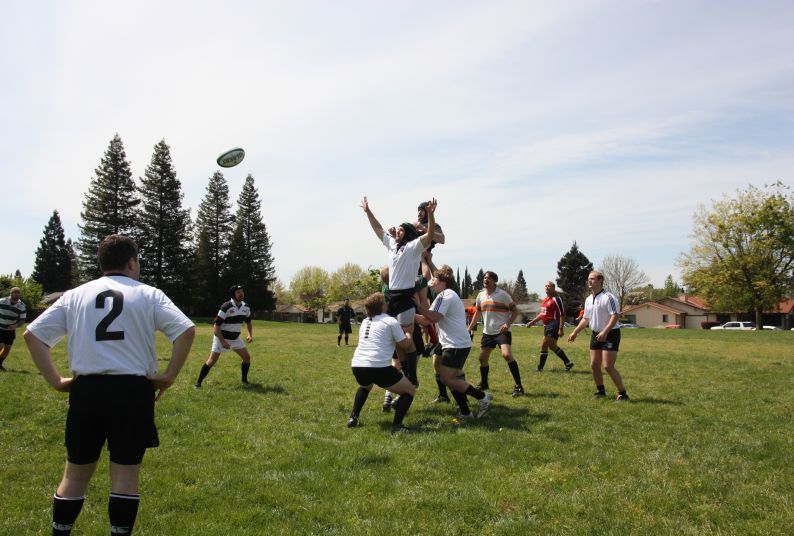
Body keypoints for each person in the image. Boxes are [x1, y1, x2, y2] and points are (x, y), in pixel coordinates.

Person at [23, 234, 195, 536]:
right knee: (125, 478)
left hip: (87, 390)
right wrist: (168, 376)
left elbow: (33, 335)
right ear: (132, 262)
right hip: (132, 392)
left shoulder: (75, 295)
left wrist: (56, 381)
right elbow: (185, 330)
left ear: (102, 263)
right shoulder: (150, 294)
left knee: (75, 475)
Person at [361, 196, 436, 387]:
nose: (397, 231)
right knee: (397, 341)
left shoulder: (413, 247)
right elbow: (378, 229)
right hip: (391, 298)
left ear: (408, 234)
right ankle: (406, 370)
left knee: (406, 337)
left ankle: (411, 374)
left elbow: (429, 236)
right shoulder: (392, 245)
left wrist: (431, 215)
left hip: (405, 297)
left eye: (401, 229)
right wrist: (368, 211)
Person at [414, 265, 493, 419]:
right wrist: (408, 315)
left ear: (443, 281)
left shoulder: (446, 295)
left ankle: (483, 397)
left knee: (447, 378)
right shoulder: (442, 296)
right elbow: (426, 319)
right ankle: (465, 412)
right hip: (451, 343)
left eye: (434, 279)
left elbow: (434, 317)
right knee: (452, 377)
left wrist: (416, 306)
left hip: (455, 344)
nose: (432, 282)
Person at [347, 292, 417, 434]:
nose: (387, 303)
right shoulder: (390, 321)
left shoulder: (365, 322)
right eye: (385, 301)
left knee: (365, 386)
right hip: (378, 367)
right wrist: (409, 333)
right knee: (410, 390)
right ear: (381, 306)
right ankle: (396, 426)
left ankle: (353, 418)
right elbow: (405, 345)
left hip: (357, 365)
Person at [568, 271, 629, 401]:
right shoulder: (589, 299)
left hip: (610, 334)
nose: (589, 281)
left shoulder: (609, 297)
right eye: (588, 279)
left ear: (600, 280)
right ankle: (600, 391)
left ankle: (622, 393)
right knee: (594, 364)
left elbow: (615, 316)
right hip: (596, 334)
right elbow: (586, 319)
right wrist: (575, 332)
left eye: (592, 279)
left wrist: (605, 332)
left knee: (607, 366)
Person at [467, 271, 525, 397]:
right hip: (487, 333)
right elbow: (477, 313)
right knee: (482, 359)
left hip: (501, 332)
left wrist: (508, 324)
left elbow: (515, 311)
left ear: (494, 281)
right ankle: (484, 383)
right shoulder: (481, 295)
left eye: (488, 278)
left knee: (507, 355)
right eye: (484, 278)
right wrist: (470, 328)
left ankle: (519, 386)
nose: (485, 280)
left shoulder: (503, 295)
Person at [195, 285, 254, 388]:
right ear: (233, 295)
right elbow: (216, 326)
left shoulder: (246, 307)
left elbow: (248, 322)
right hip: (220, 338)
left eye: (242, 291)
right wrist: (223, 342)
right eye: (238, 292)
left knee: (246, 357)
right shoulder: (226, 306)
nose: (241, 294)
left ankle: (244, 381)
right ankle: (198, 383)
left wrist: (249, 335)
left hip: (235, 339)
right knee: (212, 361)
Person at [526, 281, 574, 372]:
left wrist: (561, 328)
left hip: (554, 324)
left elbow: (562, 314)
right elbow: (542, 314)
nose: (547, 288)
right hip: (547, 325)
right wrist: (532, 322)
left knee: (544, 345)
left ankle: (540, 368)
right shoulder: (545, 299)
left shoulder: (556, 299)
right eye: (546, 286)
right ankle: (568, 363)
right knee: (552, 346)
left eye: (549, 286)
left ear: (553, 288)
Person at [0, 286, 26, 370]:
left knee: (7, 349)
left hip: (10, 330)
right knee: (1, 345)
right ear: (10, 293)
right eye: (15, 293)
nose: (16, 294)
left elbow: (22, 320)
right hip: (0, 327)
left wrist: (16, 325)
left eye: (18, 293)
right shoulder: (2, 301)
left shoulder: (21, 306)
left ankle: (0, 364)